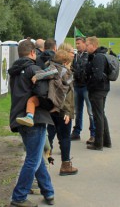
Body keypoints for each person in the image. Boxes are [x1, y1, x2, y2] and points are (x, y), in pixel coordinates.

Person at [8, 39, 55, 207]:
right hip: (35, 119)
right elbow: (43, 93)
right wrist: (51, 105)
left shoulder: (14, 71)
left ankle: (48, 192)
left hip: (19, 118)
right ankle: (19, 197)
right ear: (33, 53)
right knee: (33, 159)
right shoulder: (33, 69)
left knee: (36, 157)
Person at [16, 50, 73, 127]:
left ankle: (29, 117)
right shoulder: (68, 74)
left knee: (31, 101)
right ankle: (55, 108)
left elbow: (48, 73)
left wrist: (37, 76)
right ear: (66, 63)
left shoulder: (55, 68)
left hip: (50, 98)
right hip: (59, 101)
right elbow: (68, 89)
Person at [47, 44, 79, 176]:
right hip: (62, 111)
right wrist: (68, 112)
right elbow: (67, 95)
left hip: (50, 109)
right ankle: (65, 165)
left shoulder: (49, 69)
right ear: (65, 62)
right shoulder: (66, 74)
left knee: (48, 136)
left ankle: (44, 163)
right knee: (65, 138)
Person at [85, 36, 112, 150]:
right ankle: (106, 141)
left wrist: (89, 85)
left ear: (93, 45)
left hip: (98, 90)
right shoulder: (97, 56)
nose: (86, 47)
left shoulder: (98, 57)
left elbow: (97, 76)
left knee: (98, 116)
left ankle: (99, 143)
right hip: (101, 88)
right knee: (101, 114)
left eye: (87, 45)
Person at [71, 37, 96, 144]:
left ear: (84, 44)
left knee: (90, 111)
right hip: (77, 85)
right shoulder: (76, 56)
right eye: (76, 44)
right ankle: (76, 132)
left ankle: (93, 134)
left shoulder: (89, 56)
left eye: (79, 43)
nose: (77, 46)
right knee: (77, 110)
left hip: (86, 86)